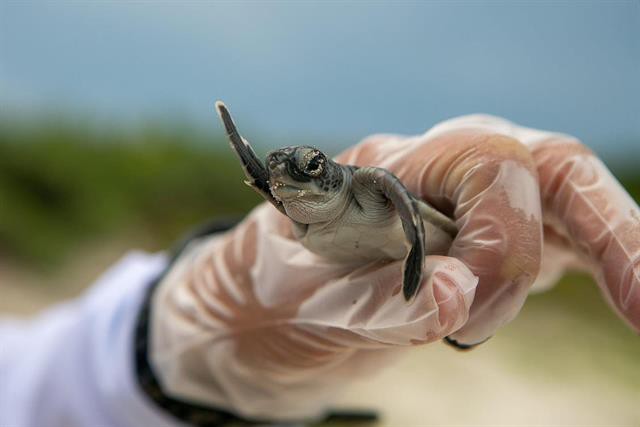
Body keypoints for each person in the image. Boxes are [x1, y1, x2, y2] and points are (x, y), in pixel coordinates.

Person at [1, 114, 638, 427]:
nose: (290, 181)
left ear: (329, 169)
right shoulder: (289, 204)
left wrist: (142, 344)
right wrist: (185, 335)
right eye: (278, 178)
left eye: (308, 165)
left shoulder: (365, 184)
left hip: (412, 240)